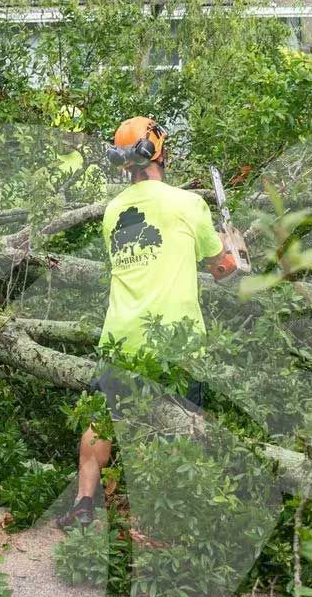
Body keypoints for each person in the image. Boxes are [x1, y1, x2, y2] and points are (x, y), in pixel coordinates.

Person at [59, 115, 239, 529]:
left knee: (100, 421)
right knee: (182, 427)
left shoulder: (112, 211)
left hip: (119, 339)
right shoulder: (189, 204)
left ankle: (84, 503)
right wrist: (232, 247)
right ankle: (170, 516)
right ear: (159, 150)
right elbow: (223, 269)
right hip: (176, 344)